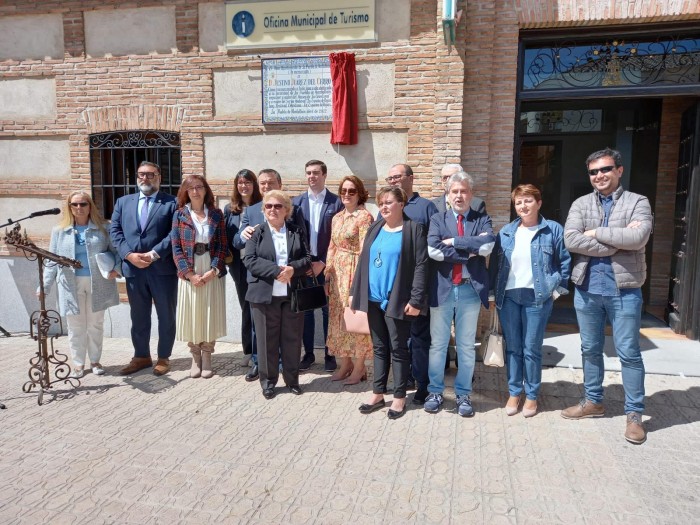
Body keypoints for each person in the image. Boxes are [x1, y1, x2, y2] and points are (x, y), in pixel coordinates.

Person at [561, 148, 653, 444]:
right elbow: (571, 239)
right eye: (593, 172)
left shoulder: (638, 202)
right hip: (587, 289)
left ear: (619, 170)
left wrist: (596, 232)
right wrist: (617, 240)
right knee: (589, 349)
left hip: (624, 291)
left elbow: (638, 238)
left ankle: (635, 414)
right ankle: (593, 401)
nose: (599, 176)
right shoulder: (581, 203)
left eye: (605, 169)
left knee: (628, 352)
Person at [490, 184, 571, 417]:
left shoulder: (552, 230)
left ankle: (532, 396)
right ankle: (514, 392)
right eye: (518, 202)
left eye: (527, 201)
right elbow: (495, 266)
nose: (523, 206)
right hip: (509, 296)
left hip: (538, 297)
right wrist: (493, 294)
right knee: (513, 348)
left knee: (531, 349)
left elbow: (565, 262)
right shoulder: (506, 232)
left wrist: (557, 291)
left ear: (538, 203)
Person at [351, 187, 428, 420]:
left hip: (396, 301)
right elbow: (363, 261)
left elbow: (421, 267)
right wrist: (356, 293)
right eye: (381, 202)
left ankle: (399, 397)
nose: (383, 206)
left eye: (389, 202)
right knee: (379, 347)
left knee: (398, 349)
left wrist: (416, 300)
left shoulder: (413, 230)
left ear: (401, 204)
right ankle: (377, 393)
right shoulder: (375, 227)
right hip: (373, 299)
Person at [424, 172, 495, 417]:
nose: (459, 195)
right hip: (442, 289)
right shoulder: (437, 219)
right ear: (447, 195)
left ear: (471, 195)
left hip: (469, 289)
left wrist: (453, 240)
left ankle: (463, 394)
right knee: (438, 345)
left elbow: (486, 246)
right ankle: (435, 391)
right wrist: (469, 249)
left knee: (465, 346)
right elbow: (433, 250)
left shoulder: (481, 218)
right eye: (454, 191)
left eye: (464, 191)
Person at [233, 168, 305, 381]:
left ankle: (287, 370)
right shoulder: (252, 211)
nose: (266, 187)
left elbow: (302, 247)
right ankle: (260, 364)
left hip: (289, 288)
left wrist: (292, 269)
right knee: (262, 331)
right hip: (262, 284)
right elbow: (240, 245)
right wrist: (242, 234)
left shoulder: (294, 215)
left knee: (288, 333)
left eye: (270, 183)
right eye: (262, 183)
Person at [42, 191, 120, 378]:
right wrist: (44, 286)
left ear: (90, 206)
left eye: (83, 204)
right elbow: (52, 260)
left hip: (98, 282)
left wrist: (116, 269)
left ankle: (95, 361)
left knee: (95, 324)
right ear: (69, 207)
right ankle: (78, 364)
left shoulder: (104, 228)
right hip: (70, 283)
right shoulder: (59, 231)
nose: (79, 208)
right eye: (74, 204)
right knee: (75, 326)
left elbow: (116, 251)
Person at [110, 161, 178, 376]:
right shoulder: (123, 202)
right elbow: (115, 232)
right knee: (138, 315)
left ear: (159, 176)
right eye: (141, 174)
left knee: (166, 315)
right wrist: (129, 255)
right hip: (133, 269)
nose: (145, 179)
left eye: (150, 175)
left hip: (162, 269)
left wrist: (153, 254)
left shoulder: (171, 203)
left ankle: (164, 358)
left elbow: (174, 234)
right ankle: (141, 357)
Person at [243, 190, 312, 399]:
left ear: (287, 210)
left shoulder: (296, 231)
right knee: (266, 341)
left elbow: (307, 258)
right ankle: (268, 382)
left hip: (292, 294)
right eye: (269, 206)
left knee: (292, 340)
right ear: (264, 210)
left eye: (278, 206)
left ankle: (292, 381)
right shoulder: (257, 232)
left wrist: (292, 269)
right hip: (264, 295)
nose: (273, 210)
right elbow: (250, 260)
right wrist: (277, 271)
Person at [385, 163, 438, 404]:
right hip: (392, 287)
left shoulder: (426, 207)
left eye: (397, 176)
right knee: (396, 340)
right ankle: (401, 380)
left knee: (419, 339)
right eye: (390, 177)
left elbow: (431, 249)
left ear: (410, 178)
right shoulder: (385, 208)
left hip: (417, 287)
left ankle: (422, 385)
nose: (393, 180)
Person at [172, 175, 228, 378]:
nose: (195, 191)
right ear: (185, 192)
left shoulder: (216, 214)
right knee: (192, 313)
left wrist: (214, 270)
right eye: (191, 188)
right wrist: (189, 274)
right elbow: (176, 246)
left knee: (209, 313)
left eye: (199, 187)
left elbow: (222, 245)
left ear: (206, 190)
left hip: (210, 269)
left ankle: (207, 355)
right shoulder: (179, 215)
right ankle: (195, 356)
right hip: (190, 269)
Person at [293, 160, 343, 373]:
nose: (311, 176)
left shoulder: (336, 202)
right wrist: (304, 263)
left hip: (326, 263)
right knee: (306, 310)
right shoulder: (296, 203)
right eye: (308, 173)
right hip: (304, 265)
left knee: (326, 310)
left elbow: (337, 237)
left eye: (315, 173)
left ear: (324, 175)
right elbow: (293, 236)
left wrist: (322, 262)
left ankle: (330, 354)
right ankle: (309, 353)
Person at [324, 176, 374, 384]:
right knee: (337, 319)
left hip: (354, 271)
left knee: (356, 318)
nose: (346, 194)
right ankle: (345, 363)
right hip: (337, 274)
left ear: (359, 193)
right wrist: (328, 272)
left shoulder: (364, 217)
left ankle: (360, 367)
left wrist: (360, 279)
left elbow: (365, 249)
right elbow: (332, 245)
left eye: (351, 191)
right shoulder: (337, 217)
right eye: (343, 190)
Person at [224, 169, 262, 371]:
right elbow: (226, 239)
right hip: (239, 267)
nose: (244, 186)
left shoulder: (262, 206)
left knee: (259, 309)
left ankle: (260, 352)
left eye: (248, 182)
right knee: (246, 308)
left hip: (259, 266)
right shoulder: (230, 210)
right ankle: (248, 350)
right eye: (240, 183)